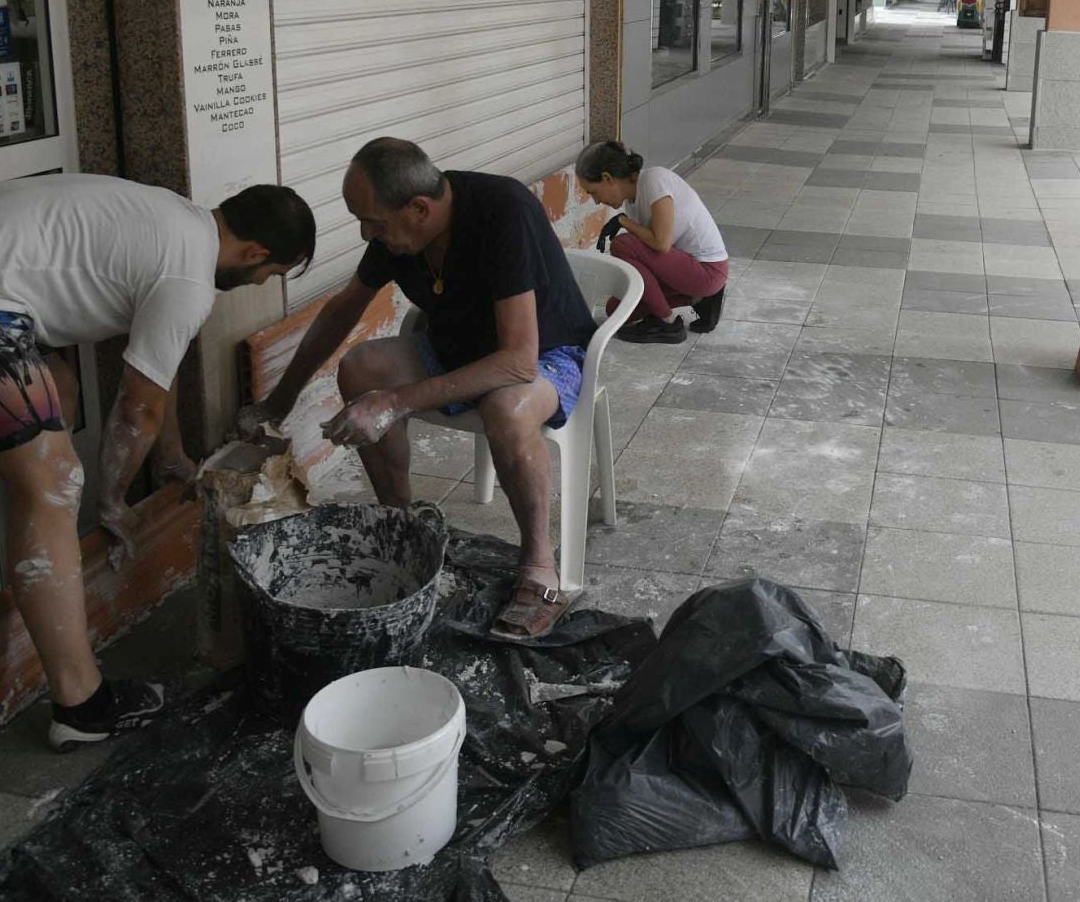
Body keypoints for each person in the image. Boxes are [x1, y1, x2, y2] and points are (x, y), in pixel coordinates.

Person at [0, 175, 315, 750]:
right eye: (268, 274)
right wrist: (111, 501)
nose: (257, 283)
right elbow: (134, 412)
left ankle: (47, 539)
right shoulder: (186, 278)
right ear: (256, 253)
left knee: (60, 390)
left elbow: (156, 378)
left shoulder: (179, 225)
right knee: (53, 481)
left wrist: (174, 458)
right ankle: (80, 703)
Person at [240, 138, 596, 640]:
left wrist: (392, 403)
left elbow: (517, 361)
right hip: (454, 348)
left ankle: (539, 566)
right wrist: (280, 399)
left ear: (420, 209)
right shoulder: (397, 230)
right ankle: (403, 525)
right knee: (361, 370)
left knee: (507, 409)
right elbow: (345, 308)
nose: (367, 233)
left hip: (546, 356)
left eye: (373, 223)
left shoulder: (502, 210)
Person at [577, 141, 729, 345]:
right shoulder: (633, 203)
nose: (595, 201)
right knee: (616, 308)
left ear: (607, 178)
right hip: (685, 271)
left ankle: (667, 324)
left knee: (623, 244)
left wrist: (623, 222)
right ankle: (699, 299)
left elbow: (661, 243)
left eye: (593, 192)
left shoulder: (654, 180)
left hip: (708, 269)